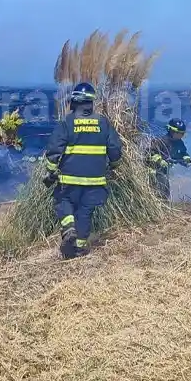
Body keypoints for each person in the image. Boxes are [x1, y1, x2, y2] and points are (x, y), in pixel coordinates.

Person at [42, 82, 123, 259]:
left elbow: (54, 149)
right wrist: (114, 166)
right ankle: (78, 249)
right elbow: (115, 150)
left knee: (62, 203)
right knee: (85, 213)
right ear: (91, 103)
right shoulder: (103, 123)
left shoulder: (67, 123)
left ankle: (69, 229)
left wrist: (51, 172)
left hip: (69, 180)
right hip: (96, 181)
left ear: (74, 101)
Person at [147, 118, 191, 201]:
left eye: (182, 134)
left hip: (164, 170)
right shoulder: (161, 141)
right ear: (171, 131)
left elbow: (181, 154)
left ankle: (162, 204)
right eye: (178, 133)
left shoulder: (179, 143)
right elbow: (151, 153)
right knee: (160, 189)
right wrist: (160, 161)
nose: (180, 136)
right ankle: (159, 204)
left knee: (165, 190)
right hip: (154, 170)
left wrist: (186, 160)